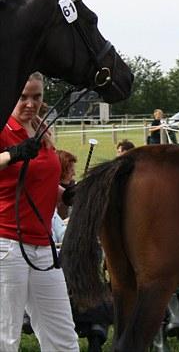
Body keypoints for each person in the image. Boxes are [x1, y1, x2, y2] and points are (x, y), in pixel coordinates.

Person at [0, 72, 79, 351]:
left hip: (44, 246)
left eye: (36, 97)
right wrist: (14, 154)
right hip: (7, 243)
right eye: (23, 97)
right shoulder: (3, 128)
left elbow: (42, 181)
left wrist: (66, 194)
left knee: (63, 337)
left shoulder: (42, 130)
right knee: (6, 337)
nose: (30, 104)